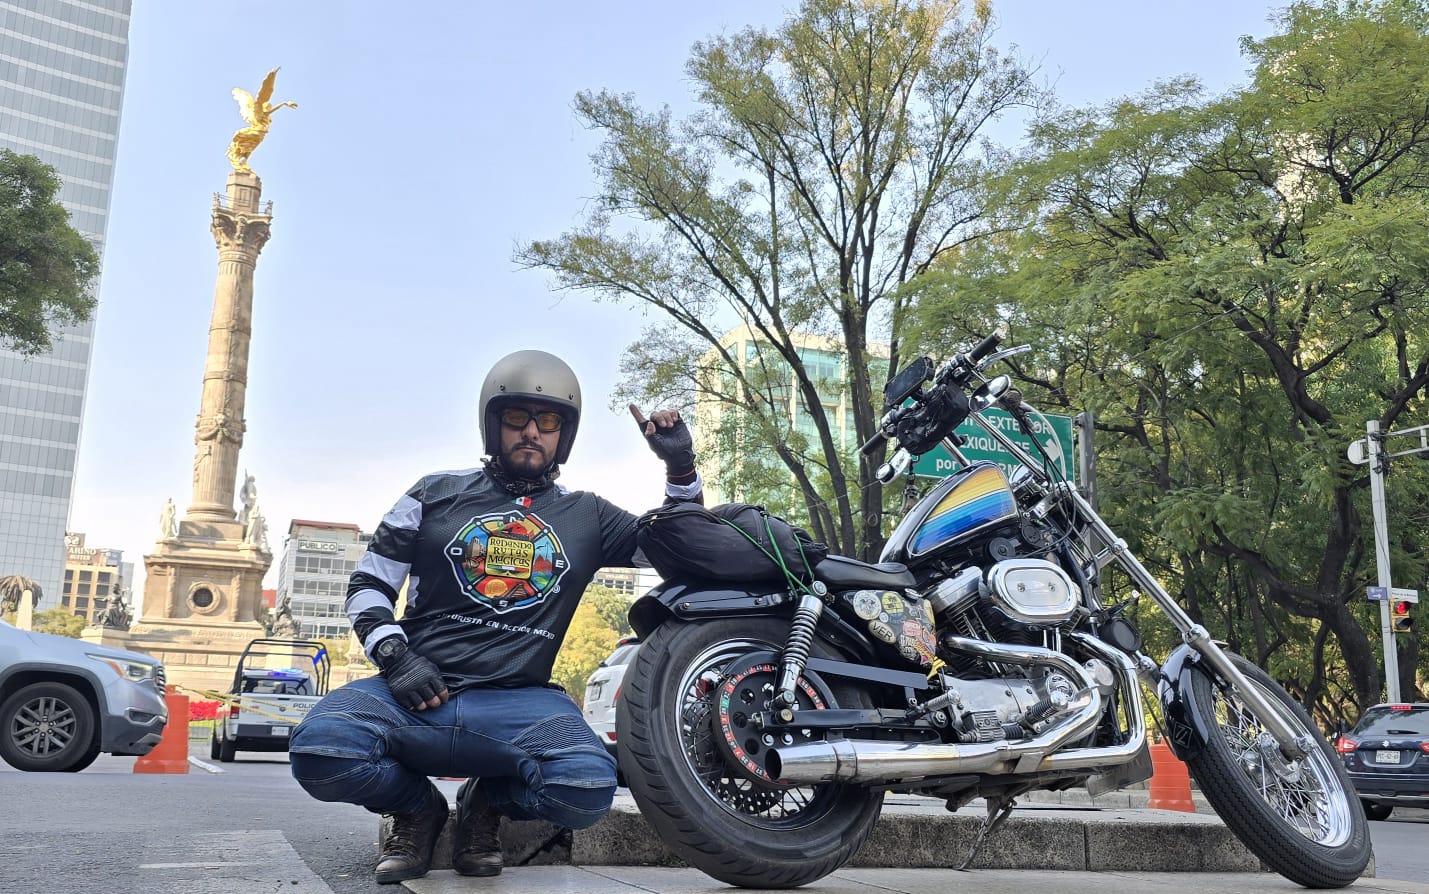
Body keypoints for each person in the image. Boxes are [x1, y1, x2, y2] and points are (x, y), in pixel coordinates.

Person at [288, 349, 701, 885]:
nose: (531, 431)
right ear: (493, 424)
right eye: (517, 417)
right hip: (418, 692)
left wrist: (680, 469)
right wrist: (396, 657)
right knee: (320, 748)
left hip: (521, 702)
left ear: (564, 436)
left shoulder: (589, 516)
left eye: (547, 421)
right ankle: (417, 809)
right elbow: (369, 584)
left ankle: (486, 805)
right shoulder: (432, 493)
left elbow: (682, 550)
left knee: (586, 787)